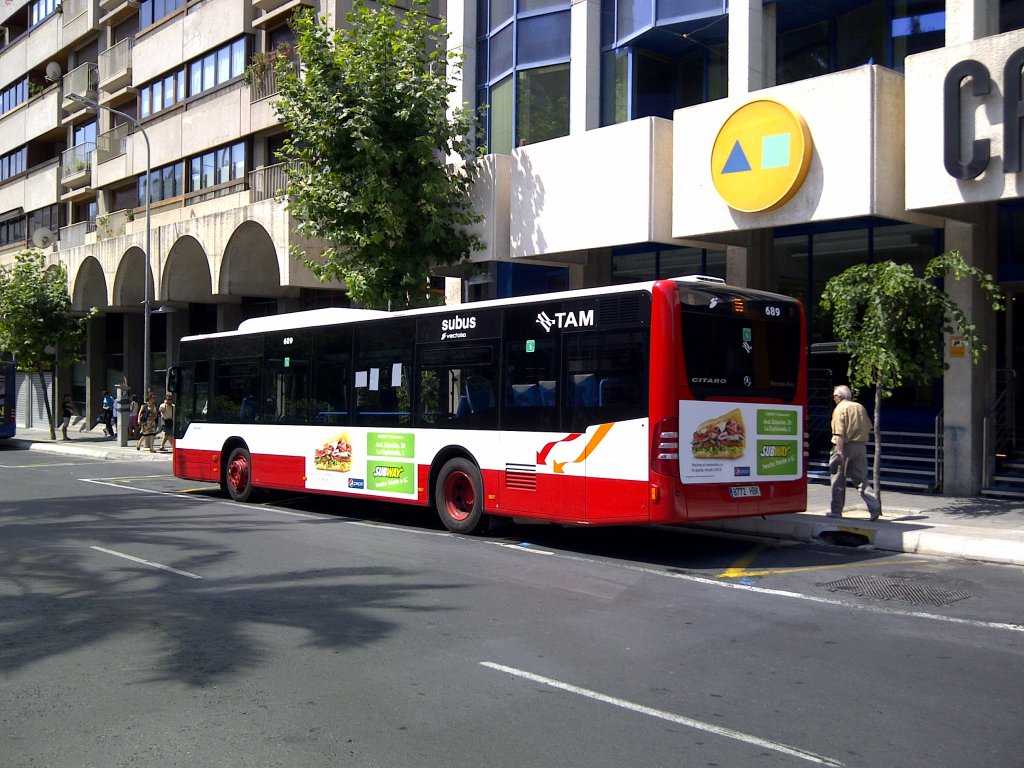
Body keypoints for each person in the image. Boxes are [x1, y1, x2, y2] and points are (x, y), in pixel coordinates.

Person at [829, 385, 881, 520]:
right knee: (861, 479)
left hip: (845, 447)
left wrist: (839, 453)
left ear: (839, 397)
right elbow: (868, 426)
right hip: (860, 447)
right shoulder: (860, 407)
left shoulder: (839, 409)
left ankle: (836, 511)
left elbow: (839, 433)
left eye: (834, 396)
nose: (834, 399)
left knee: (838, 480)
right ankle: (875, 506)